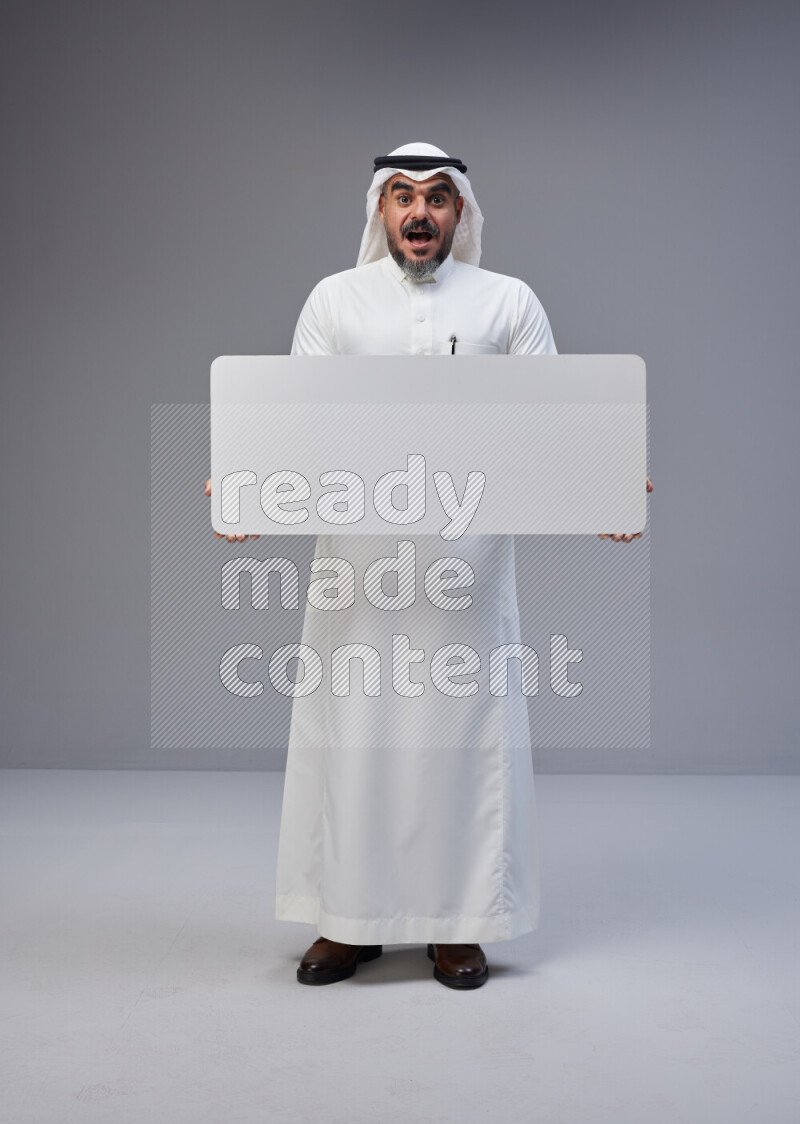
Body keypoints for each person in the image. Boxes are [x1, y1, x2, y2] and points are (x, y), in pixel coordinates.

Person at [207, 142, 651, 989]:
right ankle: (349, 921)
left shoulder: (507, 302)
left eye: (439, 198)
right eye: (403, 196)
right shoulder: (334, 301)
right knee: (357, 742)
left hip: (465, 574)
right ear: (379, 210)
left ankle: (458, 925)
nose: (420, 212)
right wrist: (243, 481)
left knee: (461, 743)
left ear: (462, 213)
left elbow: (554, 422)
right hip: (357, 574)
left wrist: (608, 485)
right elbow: (292, 420)